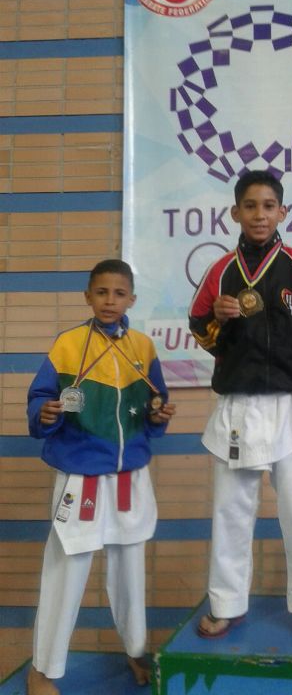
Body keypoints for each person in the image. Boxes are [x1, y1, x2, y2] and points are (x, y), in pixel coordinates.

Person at [189, 170, 292, 642]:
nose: (260, 214)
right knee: (231, 511)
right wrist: (216, 321)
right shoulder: (219, 271)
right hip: (238, 405)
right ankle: (227, 603)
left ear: (283, 212)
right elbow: (198, 331)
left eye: (269, 205)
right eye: (250, 206)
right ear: (235, 213)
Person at [26, 259, 175, 695]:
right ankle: (43, 668)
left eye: (119, 294)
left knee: (130, 570)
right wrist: (45, 412)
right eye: (102, 293)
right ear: (88, 296)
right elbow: (40, 398)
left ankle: (135, 649)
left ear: (131, 299)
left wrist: (158, 413)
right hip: (81, 474)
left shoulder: (143, 348)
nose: (110, 301)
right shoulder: (68, 346)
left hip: (129, 474)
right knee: (65, 567)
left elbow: (155, 404)